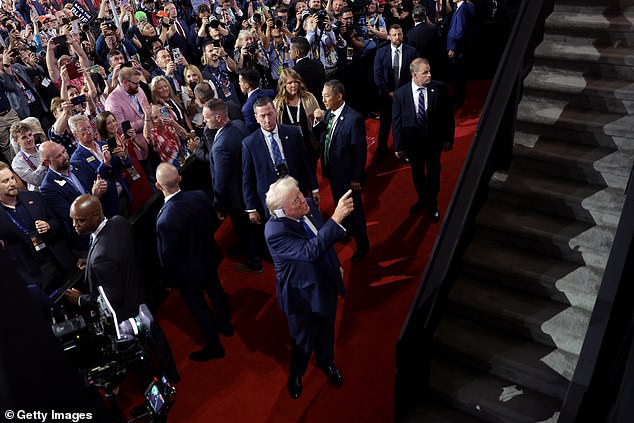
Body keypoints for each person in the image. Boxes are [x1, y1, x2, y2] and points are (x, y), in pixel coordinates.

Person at [65, 194, 180, 384]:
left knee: (139, 357)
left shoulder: (100, 258)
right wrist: (92, 264)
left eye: (80, 220)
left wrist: (80, 299)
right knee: (156, 337)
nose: (75, 225)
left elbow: (112, 299)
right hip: (143, 296)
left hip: (126, 313)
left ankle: (153, 390)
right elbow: (121, 255)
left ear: (96, 215)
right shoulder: (119, 222)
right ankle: (173, 374)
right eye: (73, 220)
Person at [264, 176, 353, 399]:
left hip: (324, 284)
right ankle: (297, 374)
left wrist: (336, 264)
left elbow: (321, 238)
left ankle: (326, 362)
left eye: (300, 195)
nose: (303, 201)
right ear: (282, 211)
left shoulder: (308, 205)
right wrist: (336, 218)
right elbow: (309, 250)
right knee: (302, 341)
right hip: (300, 297)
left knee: (326, 331)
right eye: (295, 201)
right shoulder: (274, 231)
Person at [155, 163, 233, 361]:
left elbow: (169, 256)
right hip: (208, 258)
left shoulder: (165, 219)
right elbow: (212, 222)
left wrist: (166, 282)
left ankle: (215, 347)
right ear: (180, 178)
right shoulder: (199, 196)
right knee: (216, 291)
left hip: (188, 274)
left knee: (200, 309)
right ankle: (226, 325)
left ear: (158, 186)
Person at [392, 58, 454, 221]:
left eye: (430, 71)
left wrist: (449, 138)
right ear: (414, 75)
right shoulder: (401, 94)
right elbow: (396, 122)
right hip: (414, 145)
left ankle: (432, 203)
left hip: (434, 143)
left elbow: (448, 115)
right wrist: (398, 146)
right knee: (417, 175)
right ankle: (422, 199)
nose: (429, 75)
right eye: (425, 72)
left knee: (434, 174)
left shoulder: (438, 88)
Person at [314, 80, 370, 262]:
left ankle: (363, 245)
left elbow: (359, 152)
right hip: (333, 173)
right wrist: (317, 121)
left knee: (356, 211)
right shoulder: (328, 114)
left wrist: (356, 178)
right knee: (341, 205)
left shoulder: (354, 119)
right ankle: (347, 229)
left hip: (348, 177)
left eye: (327, 96)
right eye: (322, 95)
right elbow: (320, 137)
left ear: (339, 96)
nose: (323, 99)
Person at [205, 99, 263, 273]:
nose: (205, 121)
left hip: (236, 196)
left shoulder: (221, 146)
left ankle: (254, 262)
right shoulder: (238, 124)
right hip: (249, 186)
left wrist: (218, 204)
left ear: (219, 117)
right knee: (248, 227)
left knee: (244, 228)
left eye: (207, 118)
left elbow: (221, 181)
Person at [0, 161, 74, 298]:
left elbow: (57, 220)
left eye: (12, 178)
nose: (12, 183)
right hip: (36, 276)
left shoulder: (34, 197)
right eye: (5, 181)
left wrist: (49, 225)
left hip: (61, 262)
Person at [242, 97, 319, 225]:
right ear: (256, 117)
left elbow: (306, 162)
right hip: (273, 200)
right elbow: (247, 178)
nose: (267, 120)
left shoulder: (293, 132)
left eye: (270, 114)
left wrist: (315, 188)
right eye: (262, 116)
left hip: (297, 191)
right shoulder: (249, 144)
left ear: (275, 112)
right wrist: (251, 208)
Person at [373, 24, 417, 159]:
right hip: (386, 97)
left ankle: (405, 150)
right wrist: (388, 92)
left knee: (405, 125)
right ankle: (381, 151)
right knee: (385, 126)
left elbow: (414, 75)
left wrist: (402, 94)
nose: (397, 37)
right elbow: (377, 76)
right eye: (394, 35)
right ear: (389, 37)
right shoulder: (381, 52)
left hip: (404, 97)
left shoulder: (412, 52)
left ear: (403, 34)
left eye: (399, 34)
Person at [273, 68, 321, 172]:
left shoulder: (309, 97)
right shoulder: (277, 104)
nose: (294, 85)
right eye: (290, 83)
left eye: (296, 82)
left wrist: (318, 118)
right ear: (283, 85)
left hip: (309, 144)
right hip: (290, 149)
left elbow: (319, 121)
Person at [446, 0, 475, 107]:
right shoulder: (467, 7)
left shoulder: (462, 10)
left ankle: (458, 101)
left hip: (458, 52)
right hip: (462, 50)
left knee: (457, 76)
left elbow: (460, 32)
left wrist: (453, 48)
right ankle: (459, 98)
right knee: (459, 76)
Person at [10, 121, 48, 191]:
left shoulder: (44, 147)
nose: (29, 139)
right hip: (41, 191)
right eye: (24, 137)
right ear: (16, 141)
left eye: (30, 135)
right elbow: (36, 181)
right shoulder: (17, 163)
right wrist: (43, 164)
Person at [290, 36, 326, 102]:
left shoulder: (294, 71)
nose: (289, 52)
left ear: (297, 53)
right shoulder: (318, 63)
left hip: (306, 105)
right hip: (321, 102)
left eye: (291, 49)